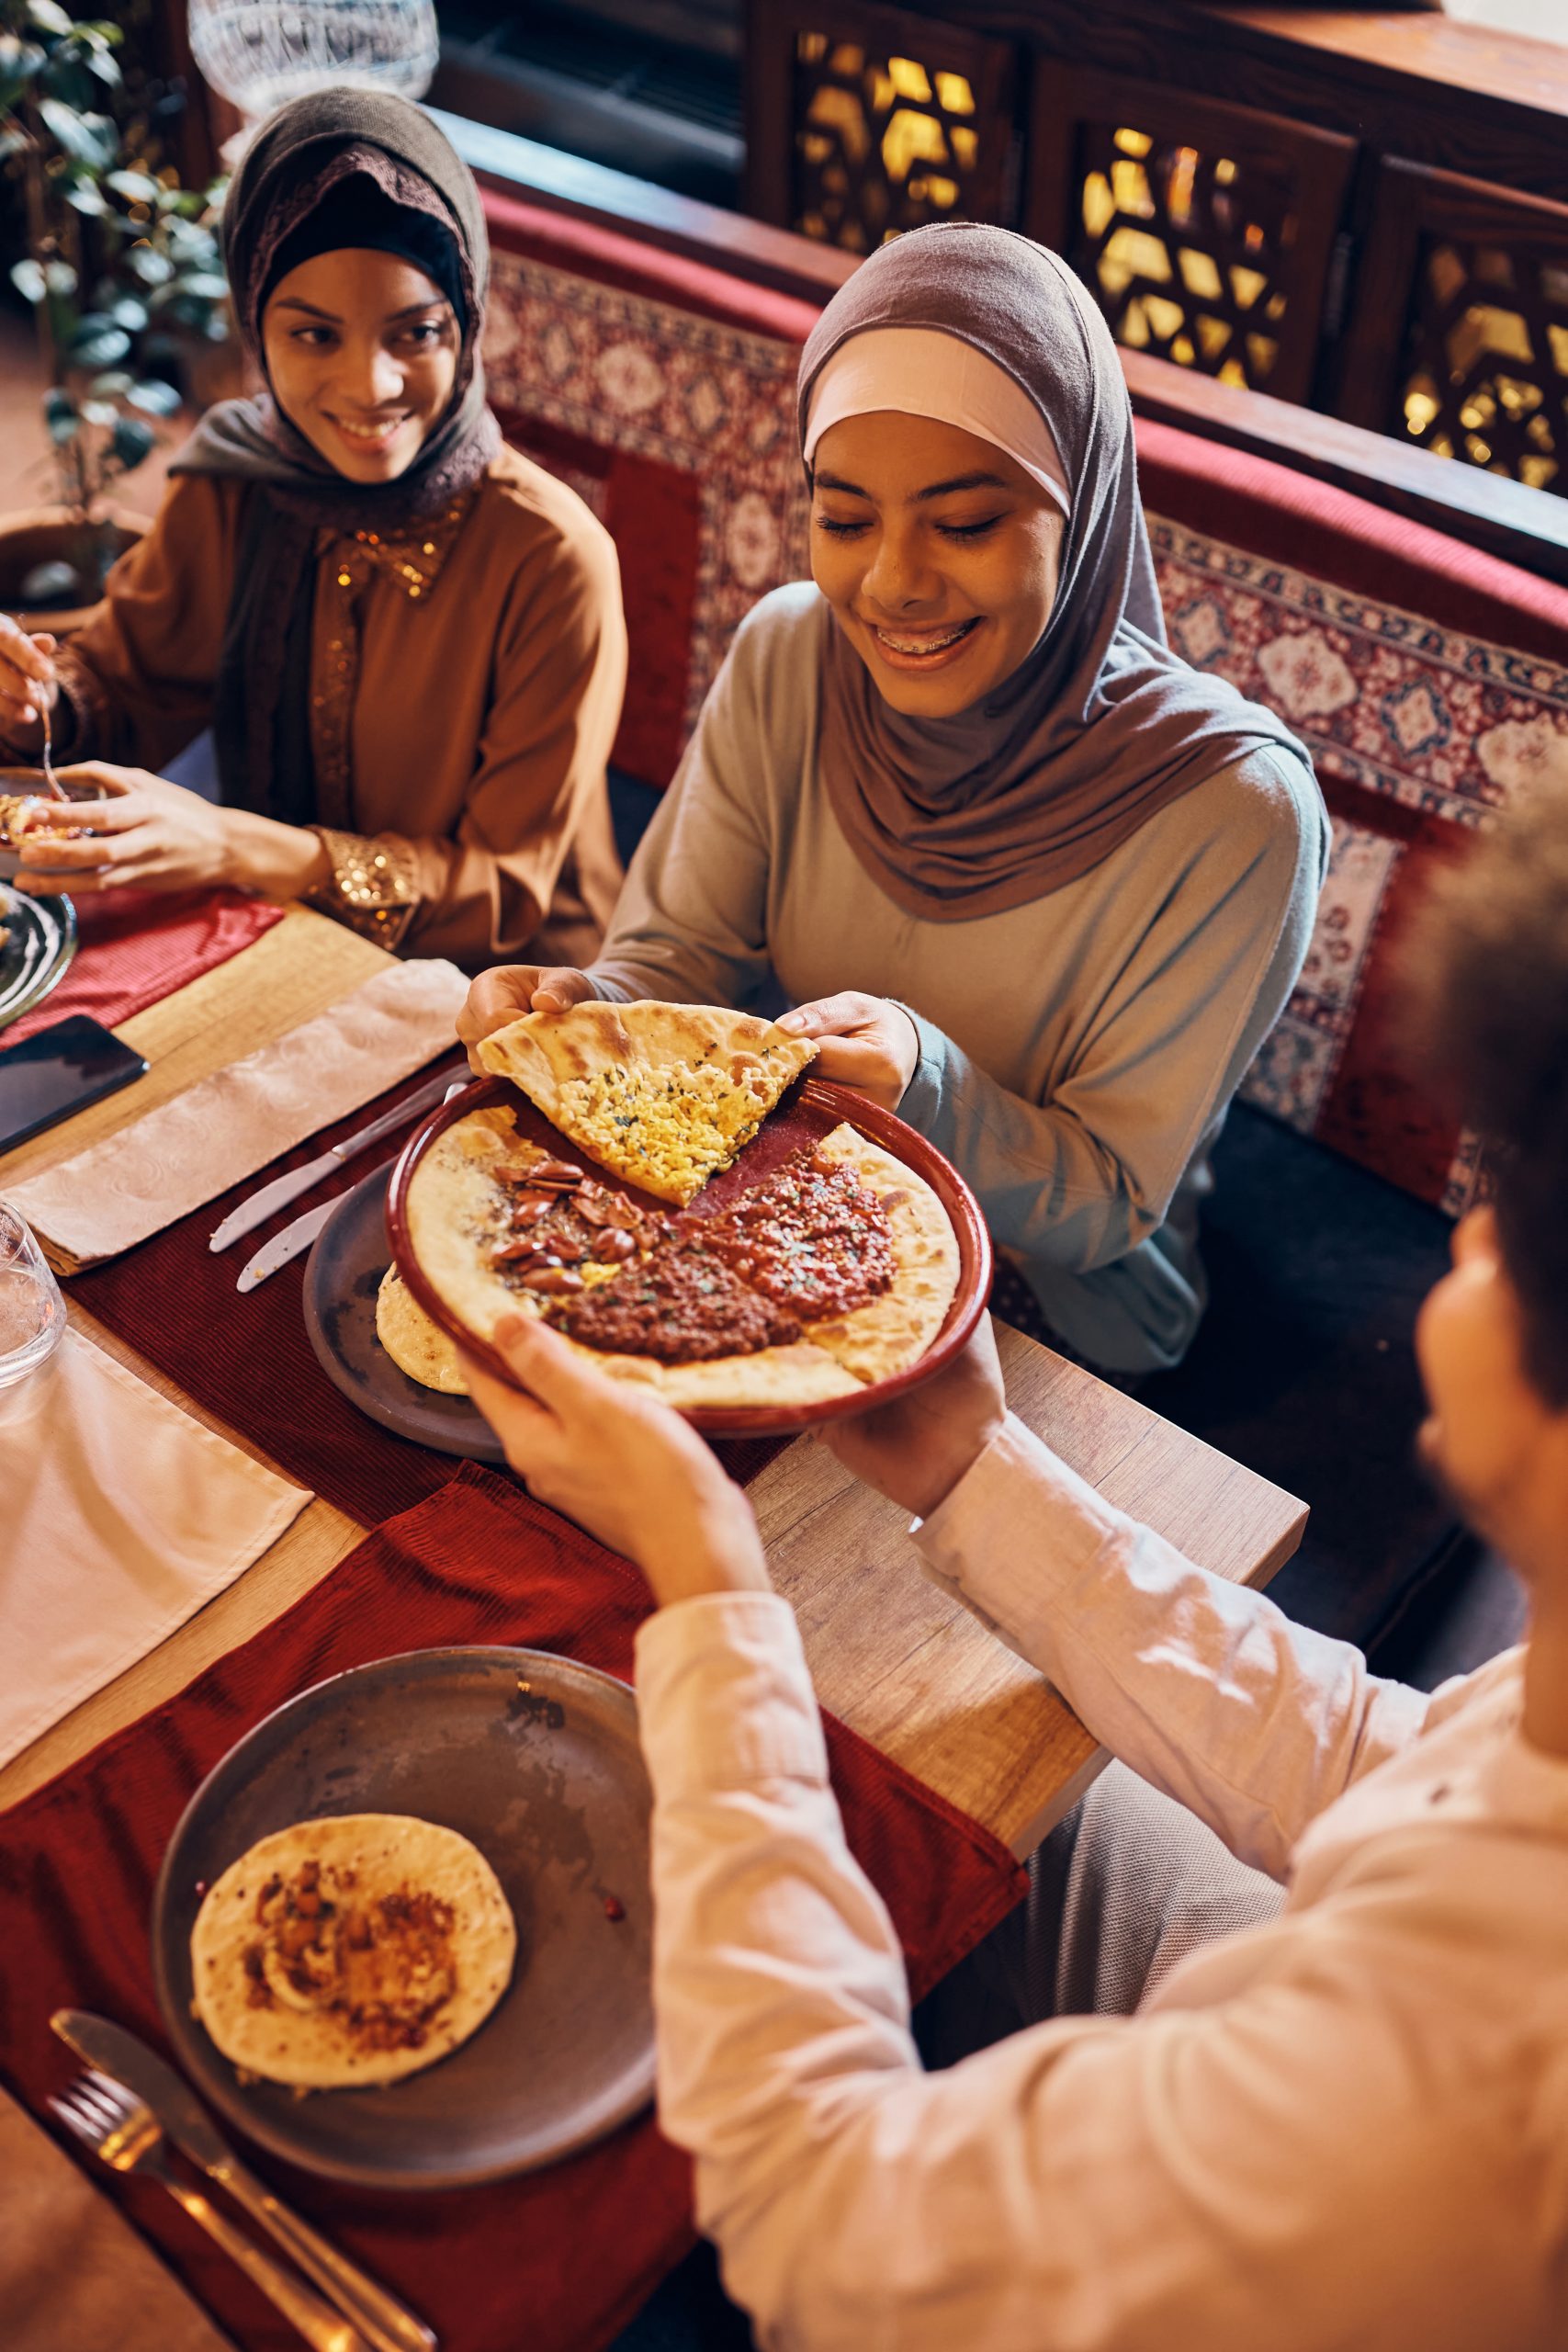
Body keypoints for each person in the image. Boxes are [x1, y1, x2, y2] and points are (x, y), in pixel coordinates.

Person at [460, 773, 1568, 2349]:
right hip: (1302, 1985)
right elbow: (1371, 1759)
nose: (1460, 1244)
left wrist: (714, 1594)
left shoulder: (1455, 2099)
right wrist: (977, 1469)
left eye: (1509, 1220)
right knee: (903, 1753)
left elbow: (817, 2223)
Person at [459, 222, 1326, 1374]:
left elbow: (1111, 1202)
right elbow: (678, 962)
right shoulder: (792, 652)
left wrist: (929, 1082)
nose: (894, 587)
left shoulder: (1234, 812)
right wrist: (586, 1011)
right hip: (760, 1202)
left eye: (966, 523)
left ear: (1084, 511)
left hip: (1055, 1317)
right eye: (846, 519)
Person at [0, 91, 626, 967]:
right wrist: (37, 707)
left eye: (415, 331)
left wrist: (235, 846)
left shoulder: (550, 557)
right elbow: (122, 687)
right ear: (257, 330)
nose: (370, 387)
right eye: (313, 335)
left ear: (468, 323)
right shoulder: (237, 482)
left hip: (501, 994)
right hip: (275, 934)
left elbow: (503, 889)